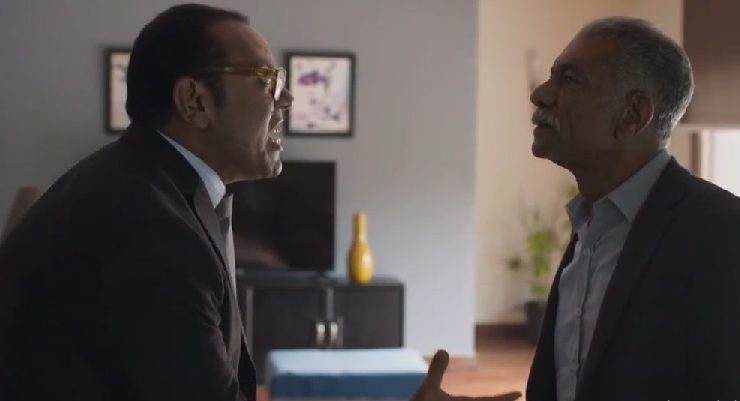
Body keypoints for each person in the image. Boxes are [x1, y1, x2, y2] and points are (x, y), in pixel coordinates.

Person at [0, 4, 521, 401]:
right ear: (194, 101)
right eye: (266, 80)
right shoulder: (148, 229)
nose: (286, 99)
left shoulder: (151, 182)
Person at [526, 16, 740, 401]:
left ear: (632, 115)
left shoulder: (723, 234)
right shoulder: (589, 226)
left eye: (569, 79)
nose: (540, 94)